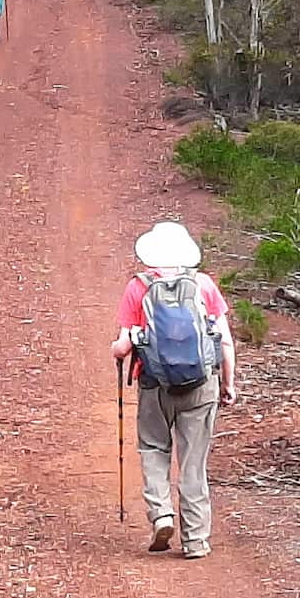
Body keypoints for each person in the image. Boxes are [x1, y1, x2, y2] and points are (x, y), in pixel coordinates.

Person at [110, 221, 238, 560]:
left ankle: (162, 514)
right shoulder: (204, 285)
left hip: (154, 384)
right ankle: (195, 540)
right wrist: (228, 384)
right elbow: (224, 340)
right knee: (193, 463)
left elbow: (124, 347)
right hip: (201, 384)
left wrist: (117, 348)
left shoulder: (138, 288)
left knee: (153, 449)